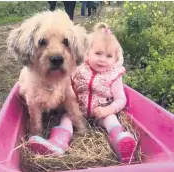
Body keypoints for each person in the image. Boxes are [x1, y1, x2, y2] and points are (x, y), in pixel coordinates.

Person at [29, 22, 136, 163]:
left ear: (116, 59)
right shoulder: (78, 69)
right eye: (98, 53)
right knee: (66, 119)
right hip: (79, 110)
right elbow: (65, 85)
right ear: (87, 53)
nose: (102, 60)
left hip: (101, 112)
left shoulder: (114, 76)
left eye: (109, 56)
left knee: (111, 119)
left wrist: (107, 110)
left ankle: (120, 140)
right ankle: (57, 143)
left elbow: (121, 100)